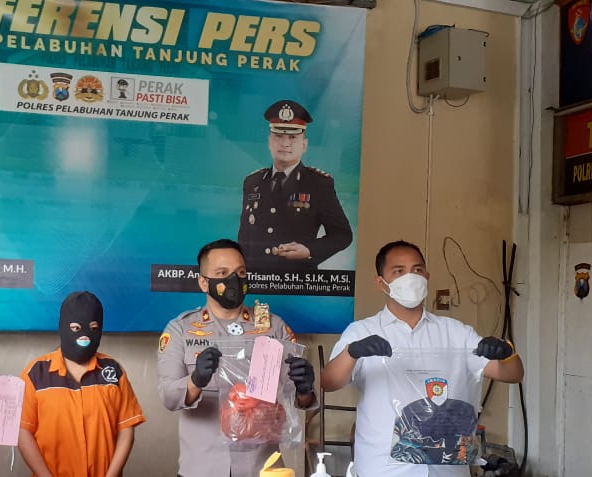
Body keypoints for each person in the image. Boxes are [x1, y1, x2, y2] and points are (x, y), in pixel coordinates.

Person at [320, 240, 525, 477]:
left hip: (447, 469)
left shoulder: (455, 333)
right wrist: (352, 352)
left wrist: (506, 354)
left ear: (427, 276)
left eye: (417, 270)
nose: (410, 277)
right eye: (399, 271)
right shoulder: (361, 332)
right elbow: (329, 382)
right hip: (384, 468)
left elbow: (513, 374)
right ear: (381, 282)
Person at [156, 239, 317, 477]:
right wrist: (195, 381)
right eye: (222, 273)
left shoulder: (273, 327)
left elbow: (298, 400)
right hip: (202, 468)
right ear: (203, 282)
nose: (234, 279)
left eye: (240, 273)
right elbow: (168, 397)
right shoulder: (181, 329)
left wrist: (304, 389)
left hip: (261, 467)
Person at [18, 291, 145, 477]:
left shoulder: (113, 372)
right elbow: (23, 431)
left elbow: (126, 429)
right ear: (63, 327)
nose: (85, 336)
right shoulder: (36, 373)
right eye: (76, 328)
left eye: (93, 328)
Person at [237, 99, 352, 272]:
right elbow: (245, 236)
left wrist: (309, 250)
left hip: (297, 280)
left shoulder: (319, 184)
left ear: (304, 145)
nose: (285, 143)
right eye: (278, 136)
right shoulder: (252, 182)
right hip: (256, 278)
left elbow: (342, 235)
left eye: (293, 137)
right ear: (269, 142)